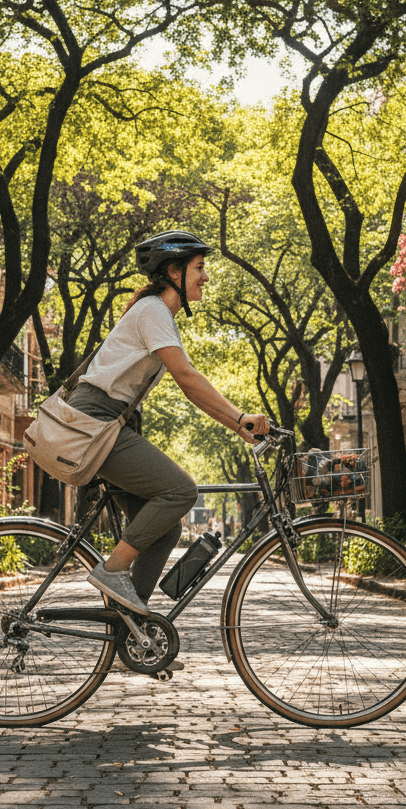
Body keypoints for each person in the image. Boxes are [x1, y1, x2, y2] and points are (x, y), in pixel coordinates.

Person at [66, 230, 270, 615]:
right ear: (174, 271)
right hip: (97, 422)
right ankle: (112, 571)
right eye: (199, 268)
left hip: (110, 423)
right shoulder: (153, 311)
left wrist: (237, 425)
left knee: (167, 528)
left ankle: (130, 626)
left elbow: (190, 387)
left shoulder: (155, 313)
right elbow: (188, 379)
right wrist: (240, 417)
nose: (205, 277)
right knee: (181, 491)